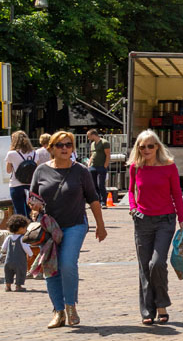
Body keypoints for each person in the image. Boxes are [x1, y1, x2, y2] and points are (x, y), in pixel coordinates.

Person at [29, 130, 107, 328]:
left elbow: (93, 199)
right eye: (60, 145)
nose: (64, 148)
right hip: (49, 227)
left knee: (67, 264)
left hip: (75, 224)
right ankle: (58, 311)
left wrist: (100, 225)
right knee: (51, 268)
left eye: (68, 145)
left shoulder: (81, 171)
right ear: (51, 149)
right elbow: (33, 197)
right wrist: (34, 208)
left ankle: (70, 306)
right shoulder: (41, 170)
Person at [128, 130, 183, 325]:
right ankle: (147, 311)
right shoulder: (135, 168)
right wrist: (133, 207)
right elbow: (130, 191)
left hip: (165, 220)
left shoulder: (169, 167)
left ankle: (161, 304)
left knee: (157, 263)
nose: (146, 150)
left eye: (150, 146)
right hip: (142, 220)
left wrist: (182, 219)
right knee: (144, 267)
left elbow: (177, 193)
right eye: (142, 146)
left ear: (157, 147)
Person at [5, 131, 37, 217]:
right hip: (30, 185)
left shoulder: (11, 153)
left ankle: (20, 229)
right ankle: (31, 228)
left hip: (16, 185)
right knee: (30, 210)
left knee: (19, 210)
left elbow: (8, 170)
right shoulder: (34, 153)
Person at [3, 214, 31, 291]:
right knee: (20, 273)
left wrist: (3, 251)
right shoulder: (22, 238)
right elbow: (26, 248)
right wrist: (31, 254)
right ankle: (18, 286)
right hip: (20, 261)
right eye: (25, 227)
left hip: (8, 261)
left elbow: (3, 248)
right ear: (21, 228)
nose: (26, 229)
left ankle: (7, 286)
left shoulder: (8, 237)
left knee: (8, 273)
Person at [86, 130, 111, 205]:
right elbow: (92, 154)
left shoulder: (104, 142)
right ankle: (97, 201)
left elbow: (107, 154)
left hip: (101, 166)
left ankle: (103, 202)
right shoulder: (92, 144)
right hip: (93, 166)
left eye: (88, 136)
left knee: (101, 185)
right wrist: (89, 164)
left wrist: (105, 165)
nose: (88, 138)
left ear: (93, 135)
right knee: (94, 185)